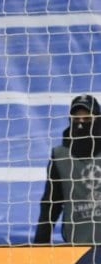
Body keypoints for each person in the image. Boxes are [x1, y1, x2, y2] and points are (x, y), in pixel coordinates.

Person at [34, 94, 101, 244]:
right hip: (77, 246)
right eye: (76, 119)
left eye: (87, 119)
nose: (81, 123)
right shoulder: (60, 156)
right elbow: (51, 204)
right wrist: (40, 243)